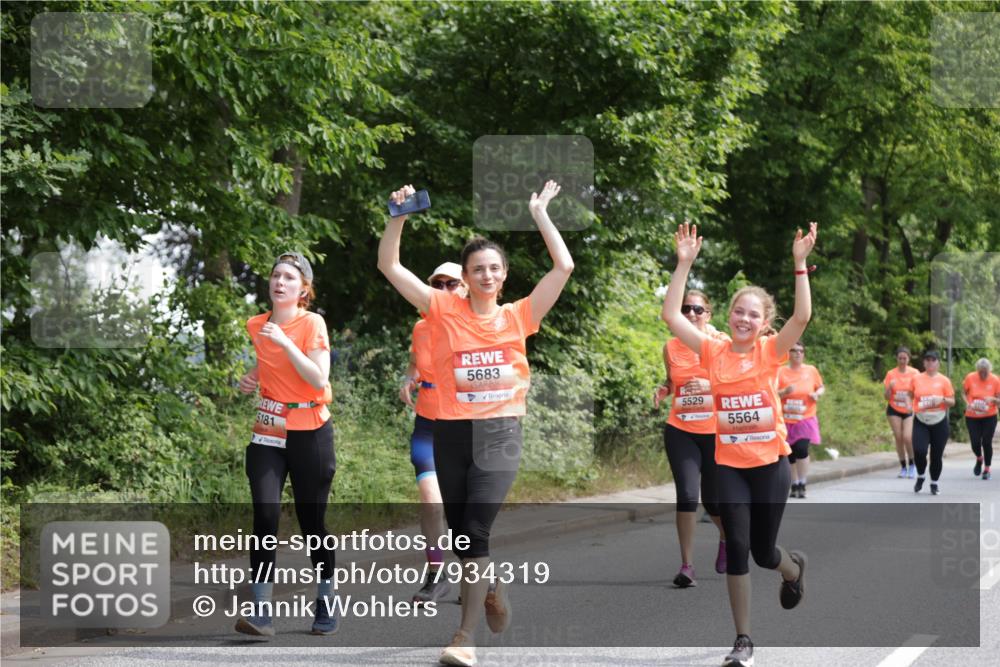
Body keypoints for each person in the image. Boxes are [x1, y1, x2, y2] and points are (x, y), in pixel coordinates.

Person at [378, 181, 573, 667]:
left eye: (493, 268)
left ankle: (463, 636)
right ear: (465, 278)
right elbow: (390, 266)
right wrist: (397, 216)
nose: (486, 275)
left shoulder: (519, 316)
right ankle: (490, 584)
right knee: (464, 534)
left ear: (503, 276)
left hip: (500, 434)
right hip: (449, 434)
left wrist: (540, 213)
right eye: (477, 269)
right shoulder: (442, 310)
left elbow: (563, 267)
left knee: (473, 535)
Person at [662, 220, 817, 667]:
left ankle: (792, 568)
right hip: (728, 465)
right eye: (738, 312)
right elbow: (672, 316)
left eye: (753, 315)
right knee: (738, 550)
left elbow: (802, 317)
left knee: (766, 552)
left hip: (769, 465)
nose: (744, 319)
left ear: (765, 323)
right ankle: (743, 640)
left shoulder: (771, 351)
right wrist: (683, 264)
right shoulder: (713, 351)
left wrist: (800, 264)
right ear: (728, 317)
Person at [236, 252, 337, 637]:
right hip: (269, 428)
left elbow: (316, 377)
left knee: (313, 522)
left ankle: (326, 596)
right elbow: (269, 359)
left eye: (289, 278)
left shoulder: (313, 323)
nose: (280, 282)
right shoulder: (256, 324)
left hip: (310, 427)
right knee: (264, 515)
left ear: (303, 289)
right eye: (275, 275)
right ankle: (261, 611)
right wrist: (252, 375)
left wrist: (285, 341)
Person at [399, 262, 466, 605]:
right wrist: (408, 377)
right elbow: (415, 361)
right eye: (437, 283)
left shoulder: (475, 327)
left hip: (464, 430)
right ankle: (436, 575)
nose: (442, 290)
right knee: (431, 501)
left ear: (465, 287)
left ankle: (478, 574)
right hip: (427, 426)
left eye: (450, 283)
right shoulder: (421, 327)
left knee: (464, 513)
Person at [653, 290, 727, 587]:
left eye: (698, 309)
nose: (692, 314)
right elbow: (673, 381)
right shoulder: (671, 347)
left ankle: (725, 535)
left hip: (714, 432)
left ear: (708, 314)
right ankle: (687, 565)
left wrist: (708, 385)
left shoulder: (721, 344)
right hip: (680, 428)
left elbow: (737, 383)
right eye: (686, 309)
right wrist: (664, 388)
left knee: (713, 501)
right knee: (686, 495)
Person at [777, 342, 825, 498]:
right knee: (789, 454)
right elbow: (772, 393)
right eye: (794, 350)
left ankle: (803, 482)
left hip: (806, 417)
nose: (798, 353)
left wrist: (817, 394)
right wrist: (784, 391)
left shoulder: (811, 370)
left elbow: (821, 387)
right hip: (786, 419)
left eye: (801, 351)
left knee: (802, 449)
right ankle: (794, 484)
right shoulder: (781, 371)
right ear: (788, 353)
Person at [911, 350, 955, 495]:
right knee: (919, 450)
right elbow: (910, 395)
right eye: (927, 360)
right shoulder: (916, 378)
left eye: (933, 360)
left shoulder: (944, 380)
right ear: (924, 363)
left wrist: (941, 400)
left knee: (936, 456)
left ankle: (934, 483)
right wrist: (908, 405)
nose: (930, 362)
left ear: (938, 363)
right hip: (921, 420)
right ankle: (921, 475)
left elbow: (952, 401)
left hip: (939, 421)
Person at [963, 358, 1000, 480]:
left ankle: (987, 469)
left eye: (986, 372)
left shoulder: (995, 380)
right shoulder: (970, 377)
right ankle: (979, 458)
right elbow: (963, 393)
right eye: (981, 372)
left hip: (989, 416)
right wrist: (967, 403)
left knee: (986, 442)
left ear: (989, 370)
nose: (983, 374)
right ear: (977, 370)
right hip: (972, 415)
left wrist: (993, 400)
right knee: (975, 442)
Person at [884, 346, 918, 478]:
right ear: (897, 359)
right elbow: (886, 397)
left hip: (908, 409)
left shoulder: (915, 373)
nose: (902, 360)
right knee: (898, 438)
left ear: (909, 358)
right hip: (894, 408)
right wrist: (889, 388)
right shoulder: (891, 374)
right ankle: (903, 466)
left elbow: (919, 391)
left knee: (907, 437)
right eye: (900, 358)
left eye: (905, 358)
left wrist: (912, 400)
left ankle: (912, 464)